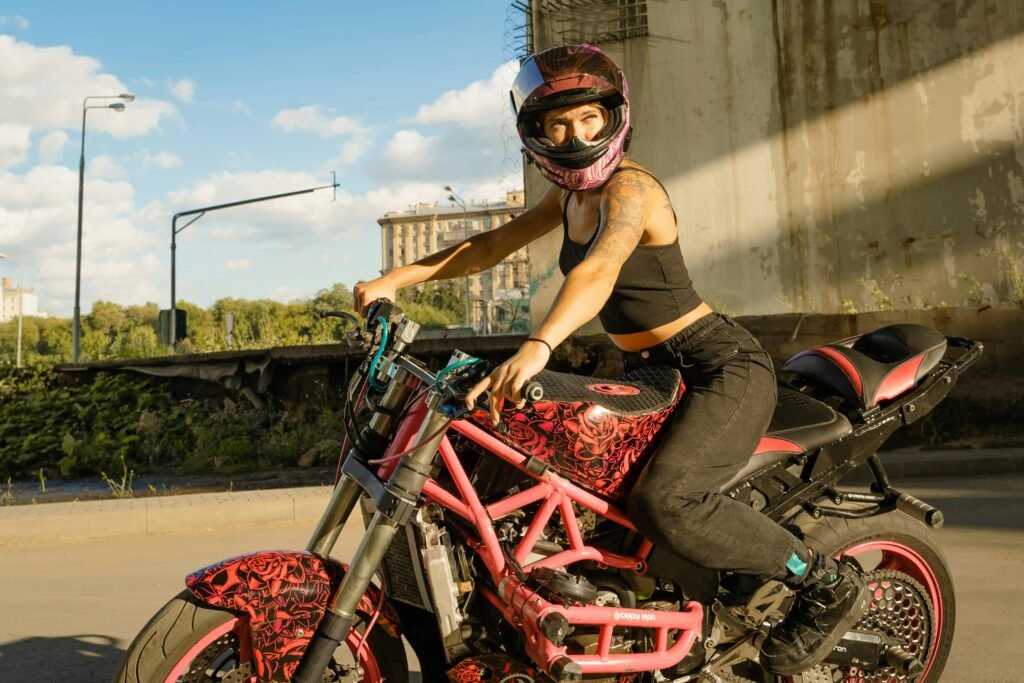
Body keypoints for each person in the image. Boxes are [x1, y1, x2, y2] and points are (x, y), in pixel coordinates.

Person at [353, 44, 868, 675]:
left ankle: (823, 581)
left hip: (718, 368)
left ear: (612, 118)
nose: (575, 134)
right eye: (558, 123)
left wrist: (539, 345)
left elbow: (602, 266)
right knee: (508, 438)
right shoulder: (565, 200)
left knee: (669, 502)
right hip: (650, 374)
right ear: (537, 133)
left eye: (588, 118)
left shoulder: (634, 188)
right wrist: (393, 281)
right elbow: (489, 245)